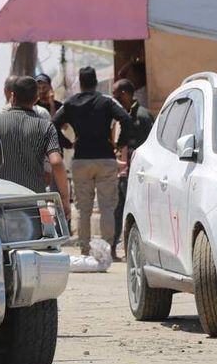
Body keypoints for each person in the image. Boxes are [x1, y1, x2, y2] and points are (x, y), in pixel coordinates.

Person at [53, 67, 131, 255]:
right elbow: (126, 119)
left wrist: (68, 144)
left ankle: (86, 249)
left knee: (84, 208)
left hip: (81, 160)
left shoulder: (71, 103)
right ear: (95, 82)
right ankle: (108, 250)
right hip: (105, 159)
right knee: (107, 207)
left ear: (80, 83)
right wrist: (120, 145)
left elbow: (53, 123)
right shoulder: (106, 101)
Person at [0, 77, 71, 217]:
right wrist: (65, 200)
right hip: (35, 201)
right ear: (36, 98)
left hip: (3, 202)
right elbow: (56, 162)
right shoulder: (45, 127)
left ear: (12, 96)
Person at [111, 79, 155, 259]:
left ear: (125, 94)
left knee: (136, 212)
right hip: (125, 173)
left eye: (116, 94)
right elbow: (122, 142)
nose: (115, 98)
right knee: (118, 210)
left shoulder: (143, 115)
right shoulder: (124, 114)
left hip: (139, 174)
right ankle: (114, 248)